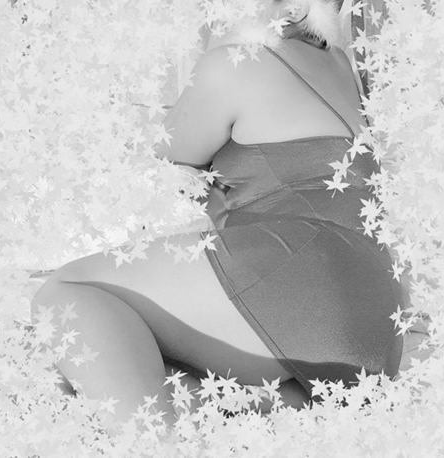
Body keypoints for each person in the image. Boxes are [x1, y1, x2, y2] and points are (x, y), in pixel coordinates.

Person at [31, 0, 404, 427]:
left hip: (298, 278)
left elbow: (162, 158)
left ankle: (154, 446)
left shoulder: (237, 64)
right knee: (141, 374)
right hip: (373, 319)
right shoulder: (342, 64)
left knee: (66, 293)